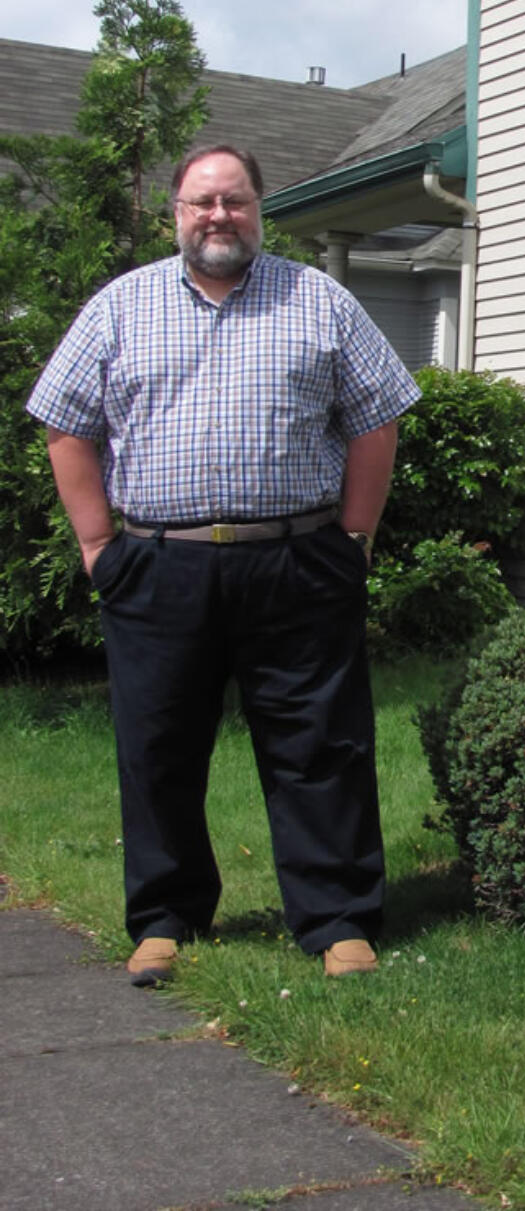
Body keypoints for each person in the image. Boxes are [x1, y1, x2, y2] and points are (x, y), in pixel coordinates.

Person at [26, 143, 421, 984]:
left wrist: (353, 538)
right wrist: (98, 546)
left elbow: (375, 420)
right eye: (202, 201)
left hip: (298, 561)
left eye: (234, 201)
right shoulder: (118, 308)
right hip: (158, 566)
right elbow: (66, 424)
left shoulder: (320, 301)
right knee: (158, 743)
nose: (218, 216)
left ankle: (338, 917)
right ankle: (165, 916)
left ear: (258, 209)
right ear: (175, 212)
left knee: (320, 743)